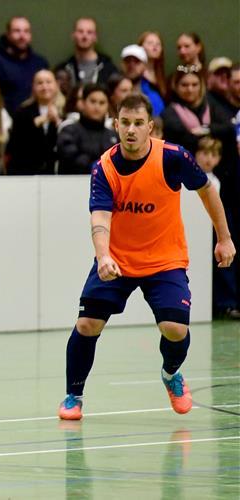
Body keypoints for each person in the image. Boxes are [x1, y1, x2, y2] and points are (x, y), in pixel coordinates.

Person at [57, 93, 236, 421]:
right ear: (116, 125)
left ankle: (171, 374)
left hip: (165, 259)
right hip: (118, 260)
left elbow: (207, 189)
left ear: (150, 127)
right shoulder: (105, 168)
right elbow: (99, 219)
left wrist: (224, 238)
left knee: (174, 329)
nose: (131, 130)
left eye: (138, 123)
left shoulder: (173, 157)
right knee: (87, 324)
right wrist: (103, 257)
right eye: (125, 122)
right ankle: (73, 395)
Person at [195, 136, 240, 320]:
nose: (208, 159)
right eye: (204, 153)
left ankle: (226, 303)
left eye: (213, 155)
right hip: (194, 231)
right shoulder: (190, 177)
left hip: (213, 231)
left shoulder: (217, 181)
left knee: (223, 265)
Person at [0, 16, 48, 114]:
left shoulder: (40, 63)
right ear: (8, 34)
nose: (22, 36)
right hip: (4, 122)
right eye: (17, 31)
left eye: (26, 31)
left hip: (36, 121)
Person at [5, 69, 62, 175]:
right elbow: (15, 144)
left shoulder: (65, 111)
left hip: (54, 173)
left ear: (56, 85)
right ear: (33, 87)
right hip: (25, 172)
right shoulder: (22, 112)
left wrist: (58, 121)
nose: (45, 87)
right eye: (40, 83)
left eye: (48, 82)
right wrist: (40, 121)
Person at [57, 83, 118, 175]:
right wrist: (97, 168)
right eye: (93, 101)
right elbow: (71, 158)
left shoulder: (113, 135)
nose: (97, 107)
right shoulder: (69, 131)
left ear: (107, 106)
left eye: (102, 103)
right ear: (82, 103)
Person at [54, 17, 119, 88]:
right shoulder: (63, 70)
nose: (84, 36)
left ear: (95, 37)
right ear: (73, 35)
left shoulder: (108, 69)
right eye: (80, 31)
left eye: (89, 32)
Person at [120, 44, 164, 116]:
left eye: (137, 61)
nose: (131, 65)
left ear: (145, 66)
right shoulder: (111, 91)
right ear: (121, 64)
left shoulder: (153, 96)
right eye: (127, 61)